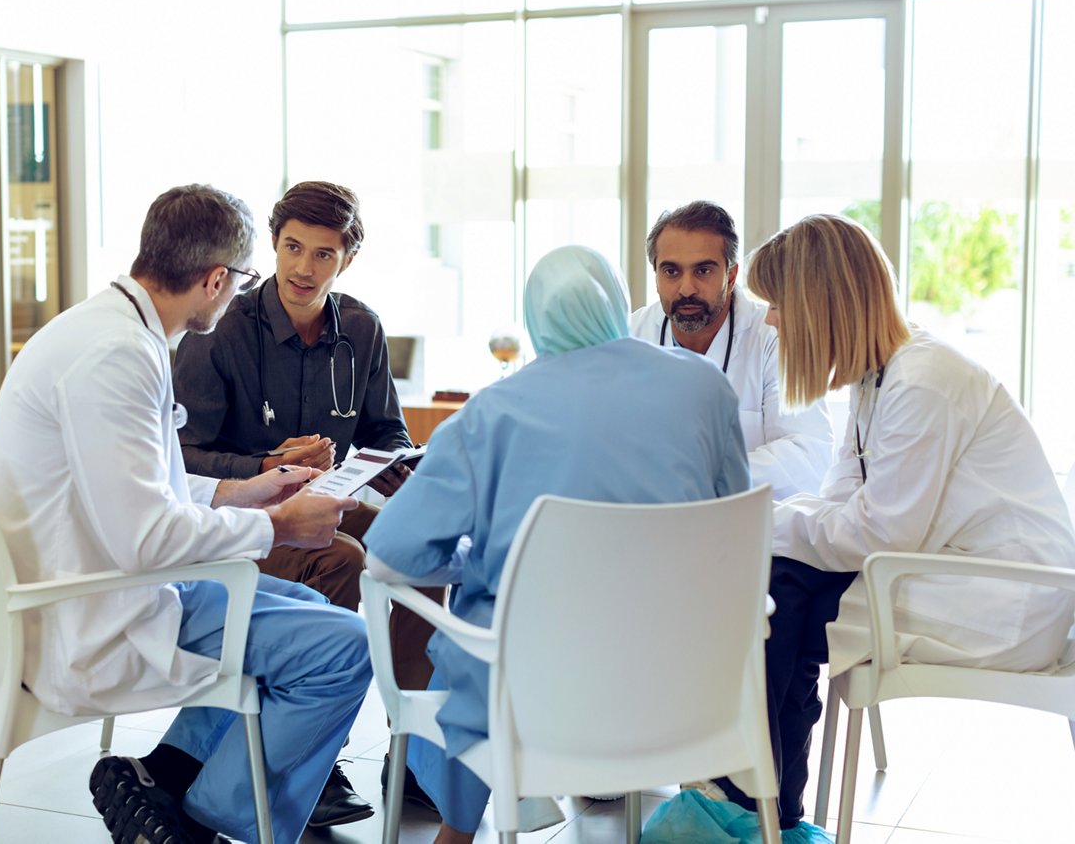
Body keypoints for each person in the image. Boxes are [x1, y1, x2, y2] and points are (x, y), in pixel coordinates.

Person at [0, 184, 373, 844]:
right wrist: (280, 526)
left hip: (89, 585)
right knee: (344, 649)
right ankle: (206, 821)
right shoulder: (118, 357)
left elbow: (134, 491)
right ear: (216, 278)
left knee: (326, 615)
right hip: (92, 613)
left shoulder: (107, 329)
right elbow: (147, 539)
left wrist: (245, 492)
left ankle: (164, 781)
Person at [697, 214, 1075, 839]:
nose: (771, 321)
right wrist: (765, 529)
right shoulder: (878, 379)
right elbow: (839, 500)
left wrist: (755, 529)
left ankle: (750, 805)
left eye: (780, 305)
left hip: (1008, 601)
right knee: (775, 593)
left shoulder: (925, 382)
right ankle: (764, 809)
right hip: (949, 571)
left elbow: (878, 534)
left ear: (820, 303)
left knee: (776, 598)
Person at [364, 245, 751, 843]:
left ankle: (458, 830)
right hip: (689, 691)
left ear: (534, 316)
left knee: (479, 639)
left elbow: (388, 554)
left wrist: (480, 562)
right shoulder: (705, 388)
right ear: (621, 305)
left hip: (535, 700)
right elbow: (732, 526)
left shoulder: (491, 413)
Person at [172, 180, 444, 824]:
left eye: (323, 254)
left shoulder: (361, 329)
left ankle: (417, 757)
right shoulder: (220, 331)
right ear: (272, 244)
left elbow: (385, 434)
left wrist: (399, 469)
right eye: (293, 247)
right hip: (244, 527)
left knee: (424, 552)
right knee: (343, 559)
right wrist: (266, 466)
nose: (303, 267)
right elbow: (181, 457)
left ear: (346, 259)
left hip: (332, 506)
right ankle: (316, 764)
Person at [631, 201, 832, 500]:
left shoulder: (773, 336)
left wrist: (708, 479)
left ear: (731, 274)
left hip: (744, 525)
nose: (686, 288)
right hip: (644, 520)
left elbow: (809, 452)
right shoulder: (630, 335)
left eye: (703, 270)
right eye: (671, 271)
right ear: (656, 276)